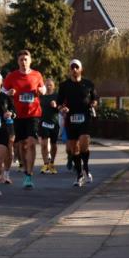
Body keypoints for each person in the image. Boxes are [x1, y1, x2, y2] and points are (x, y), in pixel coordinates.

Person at [3, 50, 46, 189]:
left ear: (30, 61)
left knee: (31, 143)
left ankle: (29, 175)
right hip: (18, 115)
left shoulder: (36, 75)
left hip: (33, 114)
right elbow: (3, 91)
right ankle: (24, 165)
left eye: (26, 59)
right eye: (21, 59)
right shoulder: (12, 76)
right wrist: (8, 93)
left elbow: (44, 89)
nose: (23, 62)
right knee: (22, 145)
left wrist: (41, 91)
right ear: (18, 61)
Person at [57, 59, 99, 187]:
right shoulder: (64, 85)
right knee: (73, 148)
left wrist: (93, 104)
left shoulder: (88, 84)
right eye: (72, 67)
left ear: (81, 69)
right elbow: (59, 103)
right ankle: (79, 174)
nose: (74, 69)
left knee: (84, 143)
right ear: (69, 70)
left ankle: (85, 168)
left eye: (76, 67)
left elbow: (95, 99)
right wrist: (62, 108)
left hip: (85, 117)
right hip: (71, 118)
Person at [39, 78, 61, 174]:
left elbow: (61, 108)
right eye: (47, 85)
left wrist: (56, 105)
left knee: (54, 144)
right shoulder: (41, 96)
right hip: (43, 123)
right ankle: (45, 164)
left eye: (50, 85)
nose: (48, 87)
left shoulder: (57, 96)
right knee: (44, 144)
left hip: (54, 123)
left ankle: (51, 163)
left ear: (54, 86)